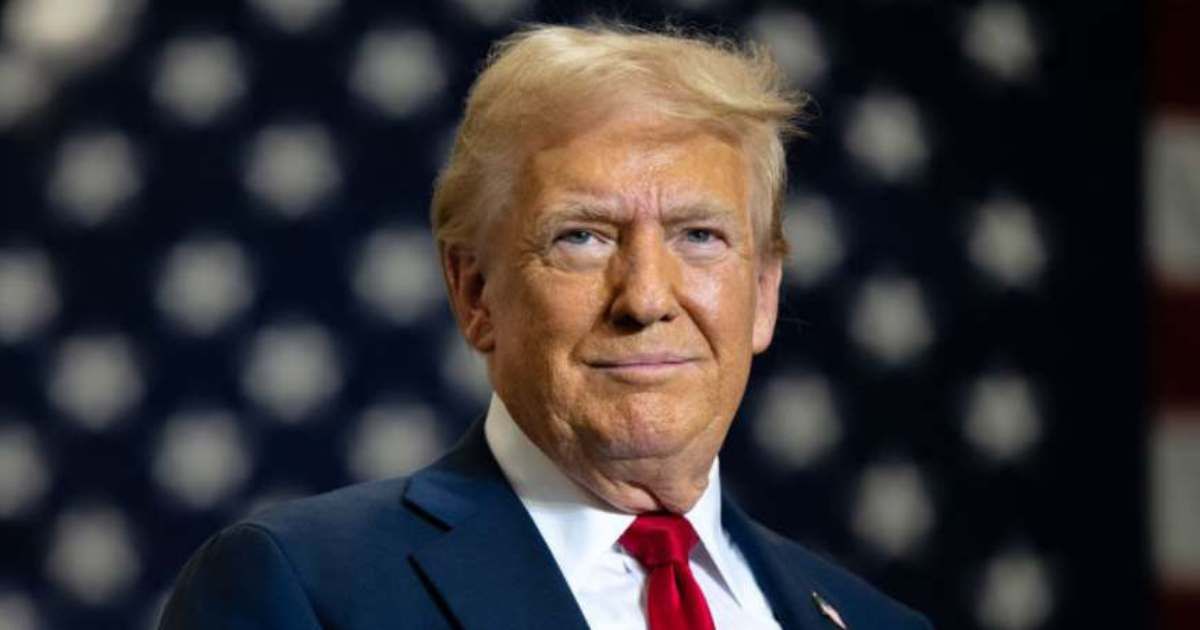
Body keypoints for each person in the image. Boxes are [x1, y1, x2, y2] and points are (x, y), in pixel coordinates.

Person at [159, 23, 932, 630]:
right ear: (475, 294)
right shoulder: (303, 589)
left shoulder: (874, 623)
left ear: (763, 294)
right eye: (583, 237)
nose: (646, 298)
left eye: (700, 236)